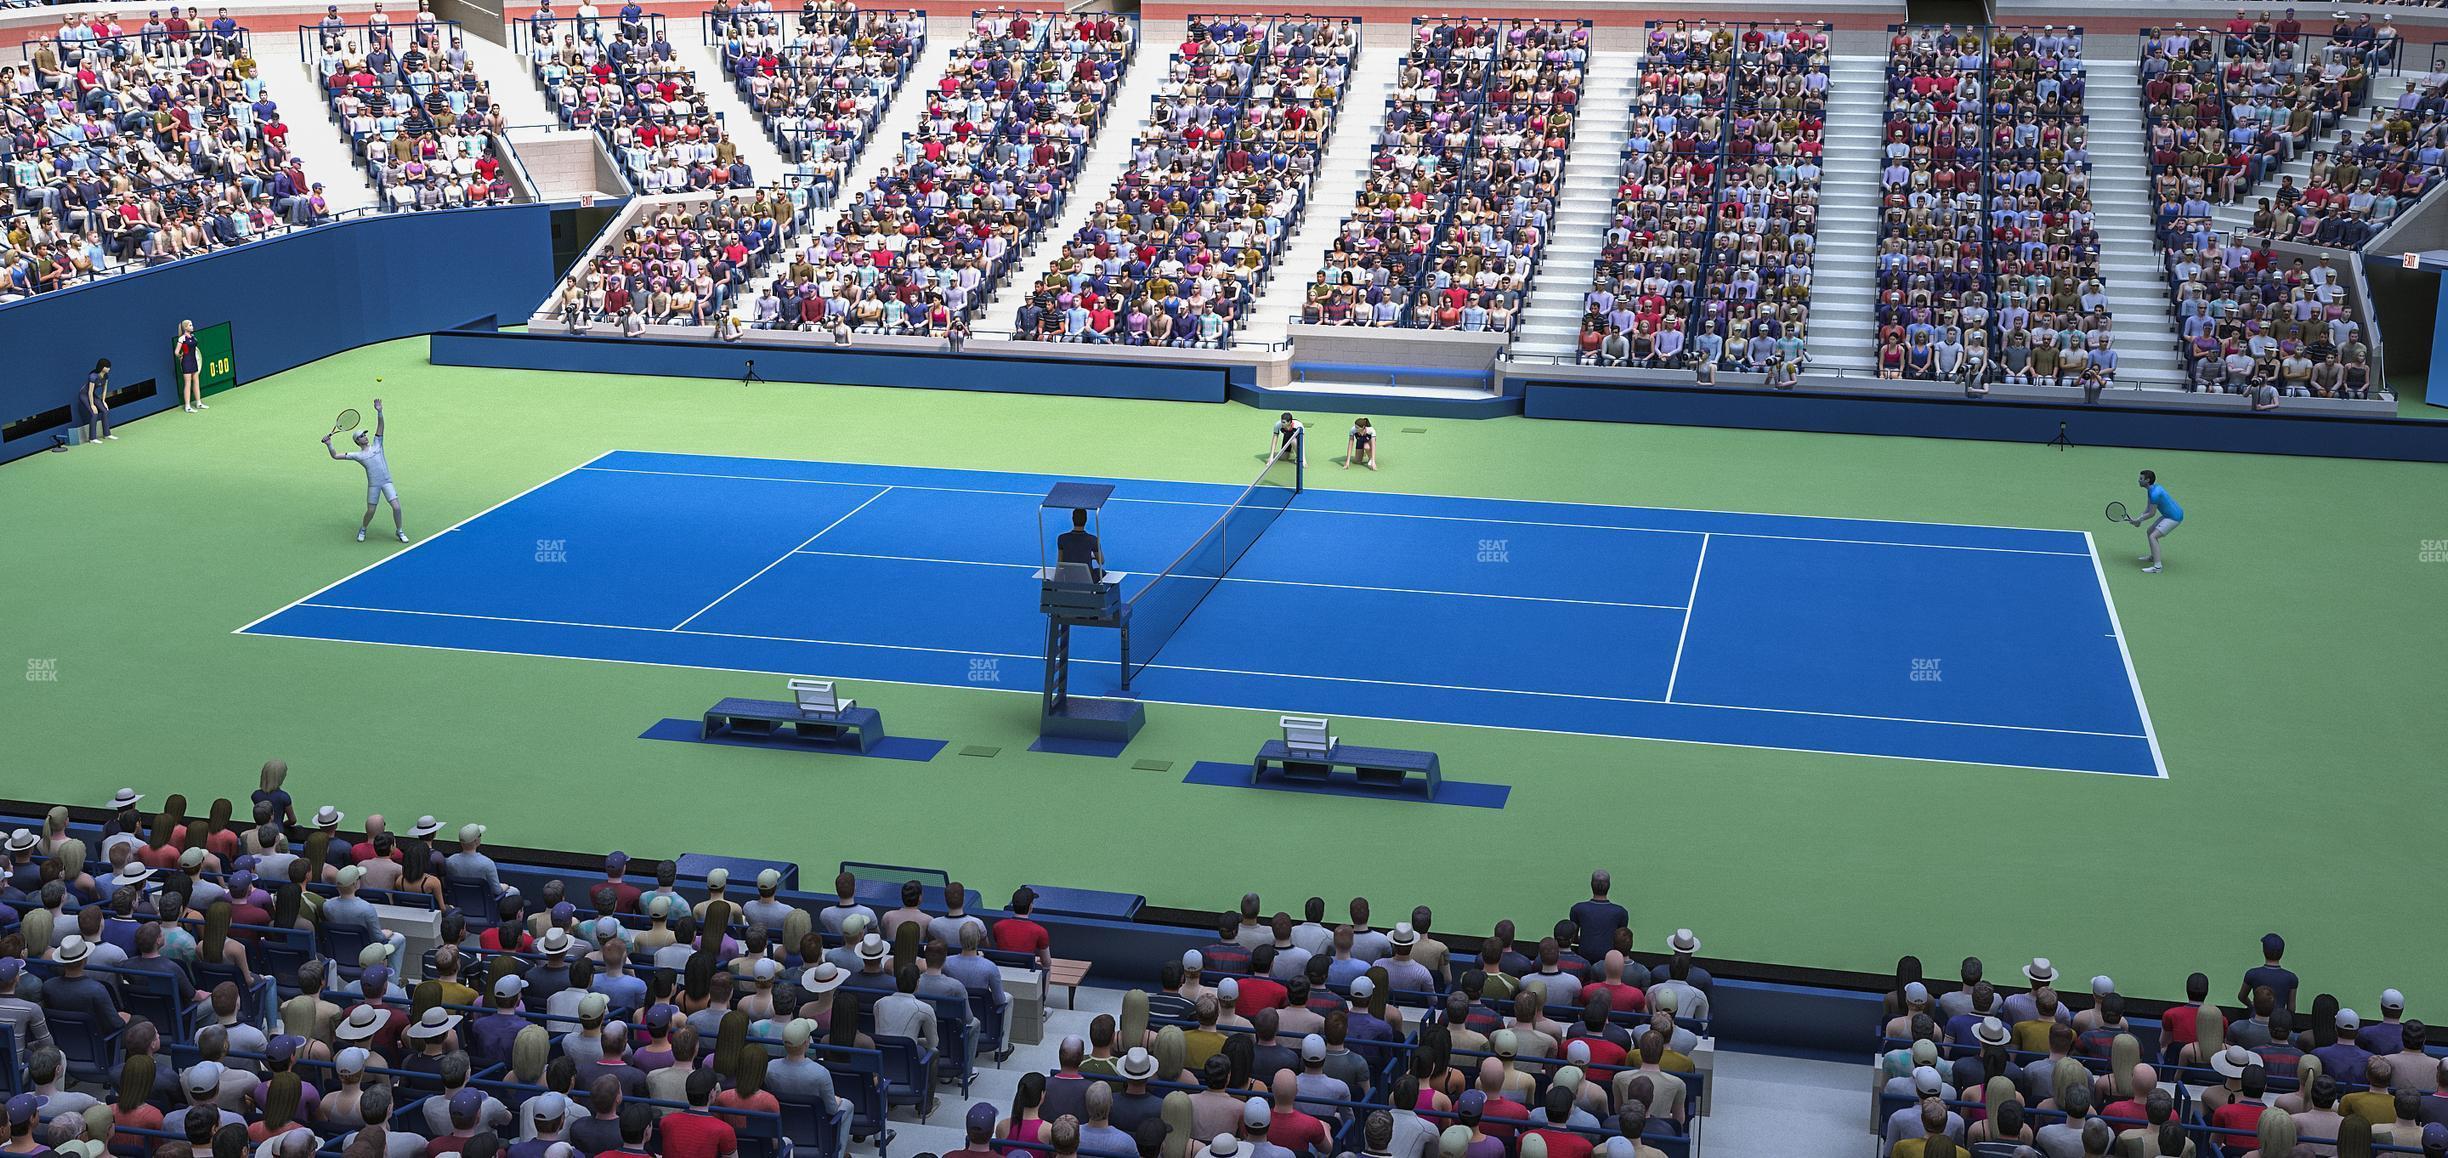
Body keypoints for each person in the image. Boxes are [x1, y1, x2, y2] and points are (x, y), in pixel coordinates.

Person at [326, 398, 407, 543]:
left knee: (397, 507)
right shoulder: (357, 455)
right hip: (374, 485)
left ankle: (399, 531)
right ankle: (363, 528)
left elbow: (381, 426)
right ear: (358, 441)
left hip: (387, 482)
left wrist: (379, 411)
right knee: (370, 511)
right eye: (362, 436)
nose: (365, 437)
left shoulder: (377, 444)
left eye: (365, 434)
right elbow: (335, 456)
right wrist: (329, 444)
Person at [2126, 469, 2184, 575]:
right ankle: (2154, 557)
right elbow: (2148, 508)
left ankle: (2157, 567)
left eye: (2141, 479)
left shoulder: (2155, 494)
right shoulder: (2151, 489)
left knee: (2153, 536)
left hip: (2174, 517)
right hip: (2168, 515)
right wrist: (2138, 520)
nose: (2138, 480)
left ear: (2147, 480)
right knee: (2149, 531)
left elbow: (2152, 513)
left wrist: (2139, 520)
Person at [1056, 510, 1104, 582]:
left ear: (1072, 519)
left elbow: (1060, 562)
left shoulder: (1062, 538)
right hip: (1087, 579)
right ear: (1086, 520)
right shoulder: (1093, 540)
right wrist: (1091, 556)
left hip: (1068, 578)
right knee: (1101, 572)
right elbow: (1101, 561)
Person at [79, 359, 116, 443]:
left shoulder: (106, 376)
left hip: (92, 395)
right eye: (107, 367)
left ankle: (107, 434)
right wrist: (92, 405)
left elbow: (104, 390)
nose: (109, 368)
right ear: (102, 367)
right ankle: (92, 438)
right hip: (84, 395)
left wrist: (103, 401)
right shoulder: (93, 376)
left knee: (105, 411)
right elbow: (90, 392)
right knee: (94, 413)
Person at [176, 321, 207, 412]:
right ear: (185, 327)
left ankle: (199, 403)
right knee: (188, 384)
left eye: (192, 325)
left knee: (196, 382)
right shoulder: (182, 339)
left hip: (194, 361)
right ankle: (188, 406)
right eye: (190, 325)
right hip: (186, 362)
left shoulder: (193, 337)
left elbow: (192, 348)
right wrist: (181, 356)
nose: (192, 326)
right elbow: (177, 352)